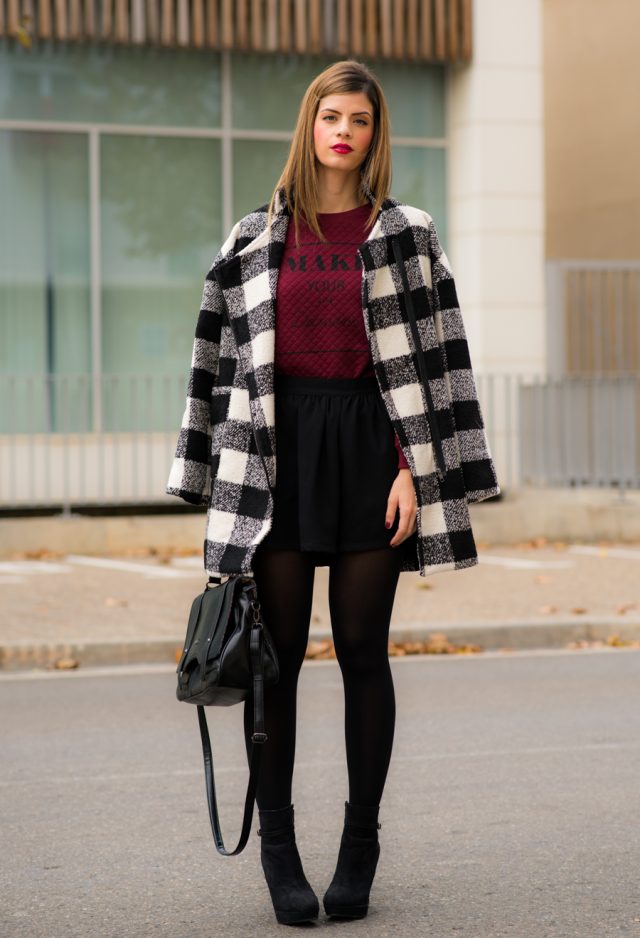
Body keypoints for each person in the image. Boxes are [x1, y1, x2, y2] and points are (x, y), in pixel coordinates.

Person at [166, 59, 500, 926]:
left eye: (359, 118)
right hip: (276, 464)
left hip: (369, 456)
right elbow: (214, 366)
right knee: (275, 661)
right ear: (309, 126)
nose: (343, 130)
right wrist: (208, 472)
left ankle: (360, 848)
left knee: (362, 653)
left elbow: (438, 361)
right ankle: (278, 852)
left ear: (374, 134)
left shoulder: (408, 235)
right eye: (330, 115)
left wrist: (415, 472)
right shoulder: (250, 239)